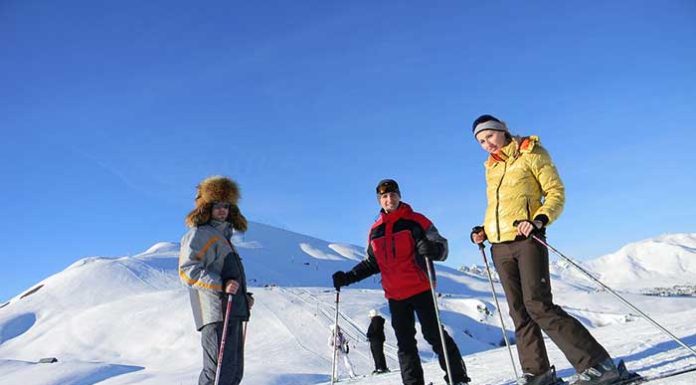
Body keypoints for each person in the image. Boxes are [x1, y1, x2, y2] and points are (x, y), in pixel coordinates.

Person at [469, 115, 621, 385]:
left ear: (502, 131)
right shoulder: (491, 167)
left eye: (489, 136)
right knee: (518, 312)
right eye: (481, 141)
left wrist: (539, 220)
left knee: (539, 305)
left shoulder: (531, 151)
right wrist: (485, 229)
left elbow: (555, 192)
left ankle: (598, 365)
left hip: (528, 239)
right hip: (499, 246)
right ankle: (537, 374)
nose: (486, 144)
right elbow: (501, 206)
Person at [332, 179, 471, 385]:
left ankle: (457, 379)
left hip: (421, 287)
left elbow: (442, 246)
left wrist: (434, 250)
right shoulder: (375, 230)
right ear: (379, 200)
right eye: (384, 197)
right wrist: (347, 277)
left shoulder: (416, 221)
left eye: (393, 195)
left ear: (399, 196)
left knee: (434, 335)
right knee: (405, 344)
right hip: (395, 295)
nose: (389, 199)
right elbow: (372, 263)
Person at [179, 176, 253, 385]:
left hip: (232, 310)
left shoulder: (225, 238)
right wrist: (222, 285)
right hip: (215, 311)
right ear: (206, 207)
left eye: (226, 206)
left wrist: (243, 297)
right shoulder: (200, 234)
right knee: (217, 374)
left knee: (234, 371)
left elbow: (228, 273)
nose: (222, 210)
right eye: (217, 205)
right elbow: (188, 270)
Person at [366, 309, 389, 374]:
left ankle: (380, 368)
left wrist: (370, 335)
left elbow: (375, 330)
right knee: (379, 353)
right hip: (377, 339)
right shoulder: (377, 320)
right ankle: (381, 367)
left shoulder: (375, 320)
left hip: (376, 340)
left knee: (377, 354)